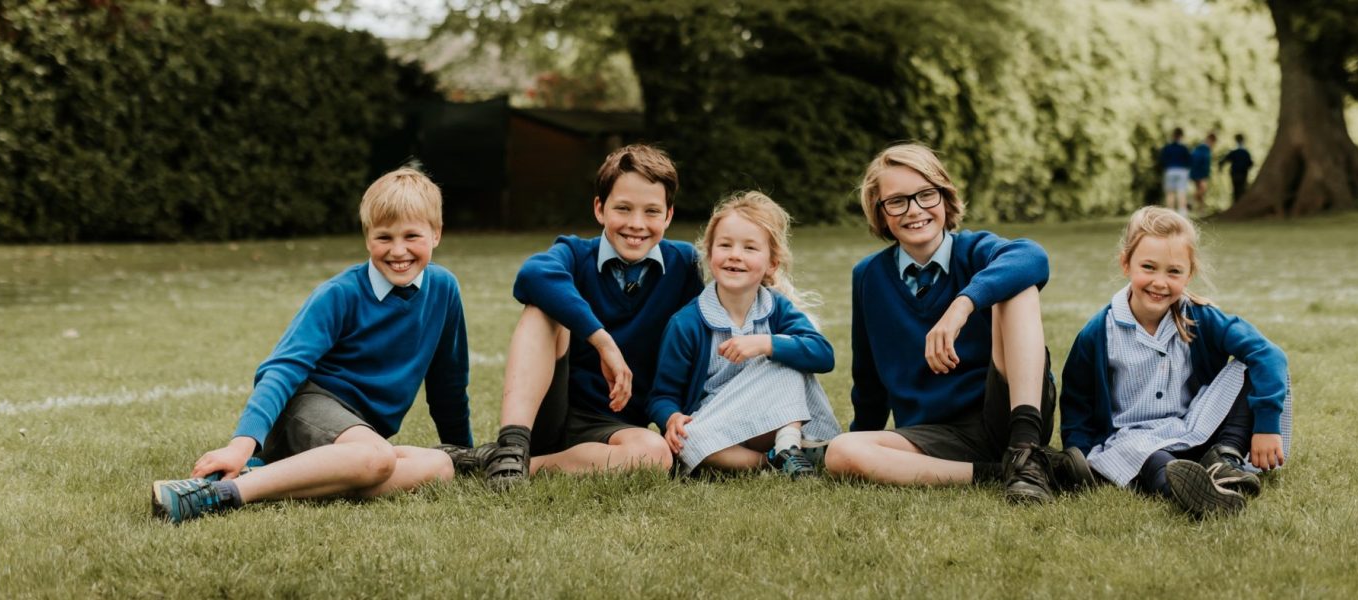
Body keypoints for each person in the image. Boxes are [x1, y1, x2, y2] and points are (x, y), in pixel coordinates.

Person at [151, 168, 472, 524]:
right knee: (378, 458)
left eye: (412, 235)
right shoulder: (340, 294)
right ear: (368, 239)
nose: (398, 250)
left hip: (356, 433)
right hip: (308, 406)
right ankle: (224, 493)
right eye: (384, 237)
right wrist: (241, 445)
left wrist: (464, 451)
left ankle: (280, 476)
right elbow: (282, 369)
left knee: (441, 466)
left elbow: (448, 384)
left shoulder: (444, 289)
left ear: (436, 234)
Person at [824, 143, 1093, 503]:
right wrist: (864, 438)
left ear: (945, 198)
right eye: (897, 201)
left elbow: (1033, 256)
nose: (914, 210)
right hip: (933, 435)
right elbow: (869, 378)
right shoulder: (868, 277)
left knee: (1018, 287)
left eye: (925, 195)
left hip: (1008, 411)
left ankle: (1026, 453)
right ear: (881, 212)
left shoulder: (976, 250)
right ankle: (1005, 472)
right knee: (841, 452)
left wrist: (961, 306)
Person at [447, 144, 703, 485]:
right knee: (543, 308)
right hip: (550, 411)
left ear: (669, 216)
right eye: (623, 208)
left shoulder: (683, 265)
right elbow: (532, 275)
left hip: (614, 427)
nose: (636, 224)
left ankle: (501, 465)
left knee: (654, 455)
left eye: (651, 212)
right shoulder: (574, 252)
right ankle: (512, 445)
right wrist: (603, 341)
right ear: (600, 208)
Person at [1060, 206, 1292, 518]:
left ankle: (1225, 461)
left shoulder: (1200, 316)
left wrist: (1267, 425)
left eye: (1173, 271)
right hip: (1134, 438)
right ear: (1126, 263)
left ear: (1189, 274)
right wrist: (1080, 455)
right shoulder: (1100, 332)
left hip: (1197, 426)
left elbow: (1268, 355)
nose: (1159, 282)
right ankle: (1191, 491)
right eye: (1149, 267)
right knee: (1150, 460)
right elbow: (1078, 401)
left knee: (1250, 366)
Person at [647, 192, 841, 478]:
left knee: (787, 356)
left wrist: (766, 343)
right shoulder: (687, 323)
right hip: (721, 426)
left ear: (771, 264)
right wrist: (672, 417)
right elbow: (661, 395)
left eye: (750, 248)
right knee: (688, 443)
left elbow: (823, 355)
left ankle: (789, 445)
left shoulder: (776, 309)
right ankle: (772, 462)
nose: (735, 255)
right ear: (710, 253)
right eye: (725, 245)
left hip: (773, 421)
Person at [1159, 128, 1192, 216]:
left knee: (1170, 192)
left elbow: (1162, 160)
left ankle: (1171, 212)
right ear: (1181, 136)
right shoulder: (1184, 148)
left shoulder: (1167, 148)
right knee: (1182, 192)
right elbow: (1189, 161)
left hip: (1170, 170)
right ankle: (1182, 212)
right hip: (1182, 171)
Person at [1218, 133, 1254, 204]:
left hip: (1235, 173)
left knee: (1235, 190)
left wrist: (1220, 167)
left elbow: (1224, 160)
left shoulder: (1234, 152)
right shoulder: (1245, 152)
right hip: (1243, 173)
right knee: (1242, 189)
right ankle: (1241, 204)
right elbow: (1250, 163)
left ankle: (1236, 203)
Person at [1189, 133, 1216, 213]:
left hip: (1195, 172)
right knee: (1202, 189)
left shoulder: (1198, 149)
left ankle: (1201, 209)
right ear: (1211, 141)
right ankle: (1190, 201)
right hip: (1200, 173)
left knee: (1200, 192)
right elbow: (1204, 162)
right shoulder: (1204, 150)